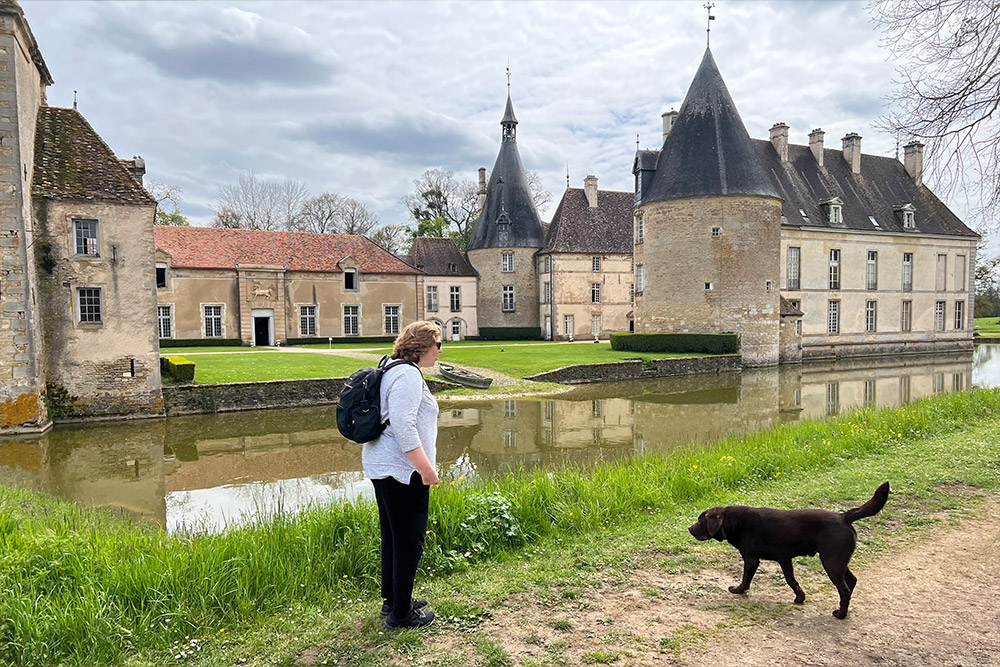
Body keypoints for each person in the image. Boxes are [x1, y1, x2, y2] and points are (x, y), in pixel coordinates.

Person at [362, 320, 442, 629]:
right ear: (421, 347)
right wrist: (426, 470)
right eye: (437, 344)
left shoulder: (392, 368)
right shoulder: (407, 375)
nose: (440, 351)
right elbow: (404, 424)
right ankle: (401, 616)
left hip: (385, 466)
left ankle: (396, 601)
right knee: (409, 541)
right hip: (402, 471)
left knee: (394, 538)